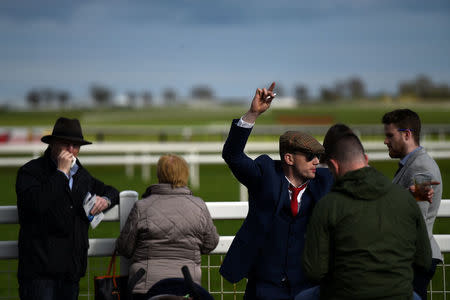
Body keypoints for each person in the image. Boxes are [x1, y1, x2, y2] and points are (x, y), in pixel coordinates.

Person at [219, 82, 334, 299]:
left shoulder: (325, 181)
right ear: (288, 158)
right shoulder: (265, 174)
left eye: (318, 156)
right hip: (264, 286)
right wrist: (253, 113)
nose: (317, 161)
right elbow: (233, 155)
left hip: (307, 287)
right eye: (310, 156)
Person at [298, 133, 431, 299]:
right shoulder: (406, 199)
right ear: (366, 159)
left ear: (334, 166)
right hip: (398, 294)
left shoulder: (328, 205)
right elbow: (424, 261)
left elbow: (314, 271)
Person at [16, 117, 119, 300]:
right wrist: (61, 174)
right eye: (66, 145)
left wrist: (106, 199)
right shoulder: (30, 172)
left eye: (76, 146)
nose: (72, 151)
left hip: (71, 272)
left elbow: (112, 191)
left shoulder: (81, 175)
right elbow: (37, 204)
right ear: (53, 143)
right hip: (40, 273)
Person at [116, 154, 219, 300]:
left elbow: (124, 248)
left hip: (145, 288)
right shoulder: (199, 206)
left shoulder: (142, 206)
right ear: (185, 174)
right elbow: (211, 243)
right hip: (188, 285)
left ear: (159, 174)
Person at [382, 109, 442, 299]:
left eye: (390, 135)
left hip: (412, 260)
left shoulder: (421, 168)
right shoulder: (413, 164)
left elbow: (415, 220)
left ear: (407, 134)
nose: (385, 141)